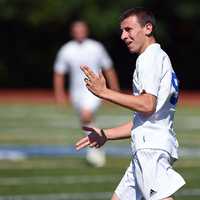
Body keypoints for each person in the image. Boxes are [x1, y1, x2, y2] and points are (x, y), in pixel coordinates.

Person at [75, 7, 185, 200]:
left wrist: (104, 92)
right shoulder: (157, 57)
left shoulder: (149, 58)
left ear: (148, 28)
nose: (123, 36)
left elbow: (146, 104)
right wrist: (106, 134)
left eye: (128, 29)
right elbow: (145, 118)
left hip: (150, 148)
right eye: (122, 31)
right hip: (148, 145)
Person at [53, 20, 119, 167]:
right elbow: (59, 73)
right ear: (72, 32)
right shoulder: (66, 49)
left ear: (86, 31)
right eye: (76, 30)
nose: (79, 33)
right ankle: (98, 144)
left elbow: (108, 68)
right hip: (76, 94)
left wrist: (113, 90)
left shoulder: (96, 47)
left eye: (82, 30)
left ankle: (95, 152)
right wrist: (59, 93)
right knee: (86, 121)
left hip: (94, 91)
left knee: (86, 116)